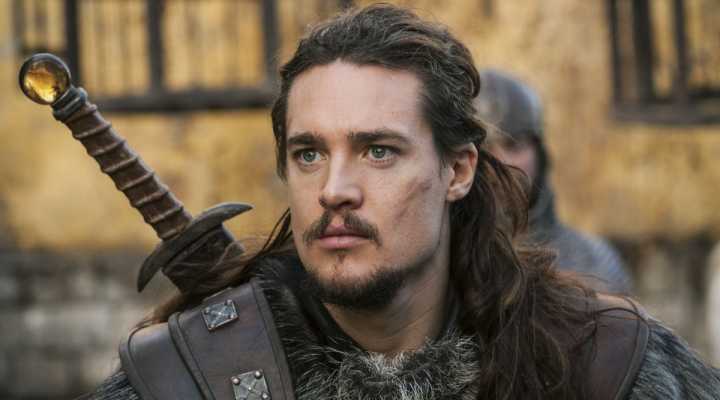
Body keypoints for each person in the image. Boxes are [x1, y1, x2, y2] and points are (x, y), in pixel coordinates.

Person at [87, 4, 718, 400]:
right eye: (309, 154)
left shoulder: (595, 360)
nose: (334, 189)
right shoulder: (189, 373)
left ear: (457, 170)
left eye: (378, 151)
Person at [474, 70, 632, 294]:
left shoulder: (594, 262)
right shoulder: (443, 264)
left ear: (540, 154)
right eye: (485, 149)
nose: (502, 162)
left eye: (514, 145)